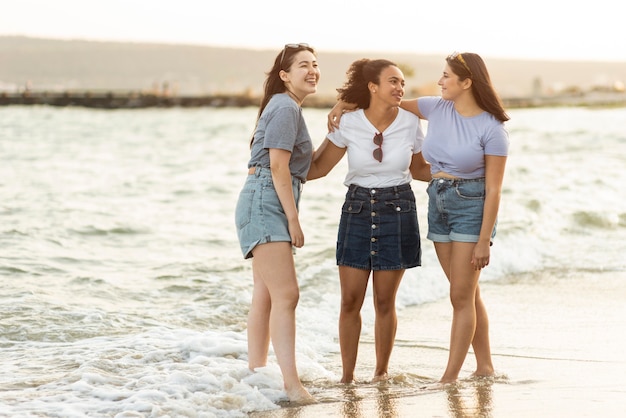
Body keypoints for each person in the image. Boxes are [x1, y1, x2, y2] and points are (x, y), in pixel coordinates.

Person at [329, 52, 510, 384]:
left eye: (446, 76)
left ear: (466, 82)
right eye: (441, 76)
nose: (439, 81)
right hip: (438, 203)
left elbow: (495, 190)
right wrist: (344, 103)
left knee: (460, 295)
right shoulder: (434, 108)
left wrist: (485, 240)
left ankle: (449, 378)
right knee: (466, 292)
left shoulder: (493, 129)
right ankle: (484, 365)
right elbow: (383, 101)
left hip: (471, 204)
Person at [307, 58, 431, 384]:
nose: (400, 88)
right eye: (392, 81)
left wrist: (464, 173)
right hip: (357, 210)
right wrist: (272, 165)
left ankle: (380, 374)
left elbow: (419, 170)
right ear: (373, 87)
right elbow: (318, 168)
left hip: (399, 209)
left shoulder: (409, 121)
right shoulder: (348, 123)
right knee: (350, 301)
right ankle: (346, 378)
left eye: (402, 83)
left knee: (384, 301)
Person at [234, 43, 320, 403]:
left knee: (267, 295)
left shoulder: (286, 107)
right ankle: (291, 385)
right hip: (267, 201)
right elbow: (279, 167)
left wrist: (340, 125)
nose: (313, 70)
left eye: (315, 64)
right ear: (285, 75)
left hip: (262, 197)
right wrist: (294, 220)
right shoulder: (286, 107)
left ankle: (257, 376)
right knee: (287, 294)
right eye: (303, 65)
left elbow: (309, 169)